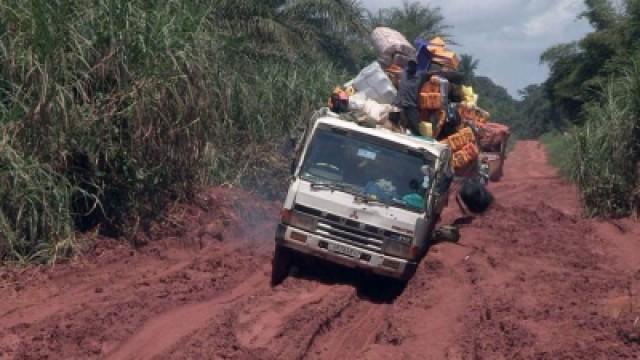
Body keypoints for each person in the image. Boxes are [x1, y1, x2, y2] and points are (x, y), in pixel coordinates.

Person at [393, 59, 430, 135]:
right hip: (398, 104)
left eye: (413, 65)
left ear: (416, 66)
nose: (411, 66)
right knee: (392, 121)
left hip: (411, 105)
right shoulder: (404, 72)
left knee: (416, 127)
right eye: (410, 64)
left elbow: (431, 74)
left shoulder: (420, 75)